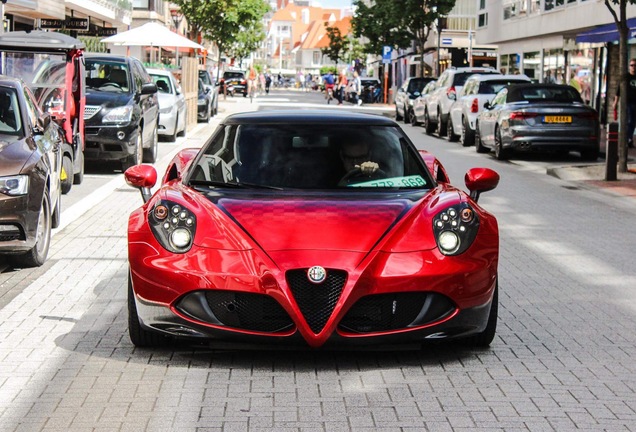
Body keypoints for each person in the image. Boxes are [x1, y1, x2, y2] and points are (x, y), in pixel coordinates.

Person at [613, 58, 636, 148]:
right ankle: (627, 139)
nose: (633, 67)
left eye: (635, 65)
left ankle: (629, 139)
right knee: (629, 121)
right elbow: (618, 90)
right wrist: (615, 102)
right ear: (629, 67)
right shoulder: (626, 77)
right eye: (632, 65)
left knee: (633, 123)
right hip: (628, 103)